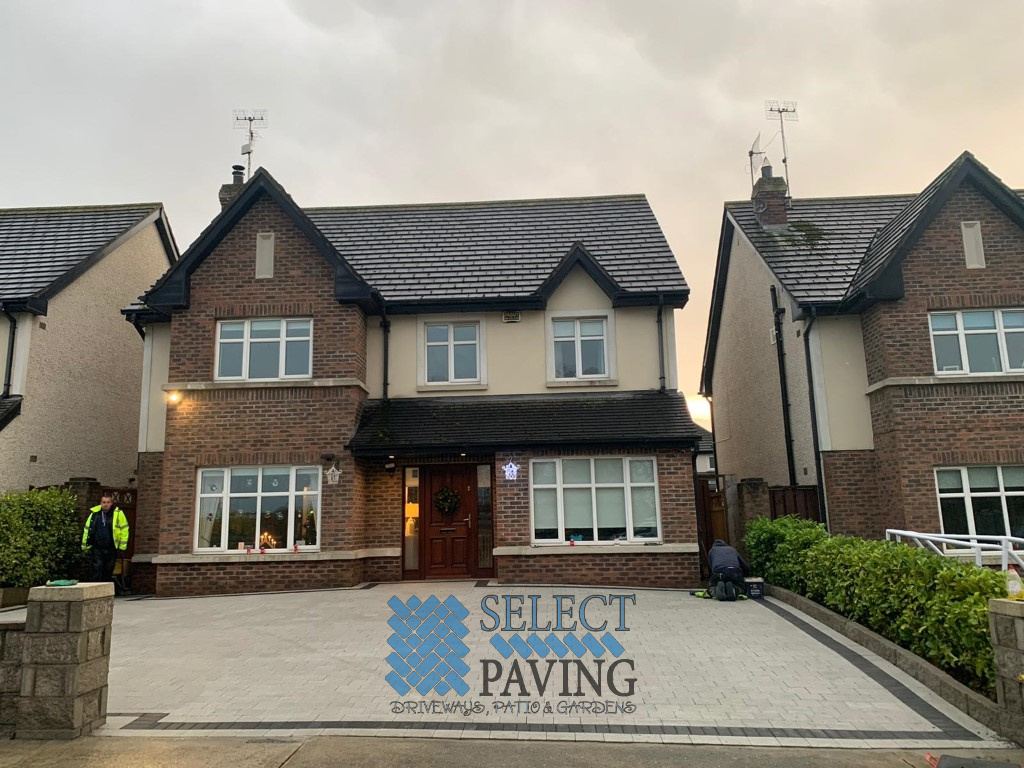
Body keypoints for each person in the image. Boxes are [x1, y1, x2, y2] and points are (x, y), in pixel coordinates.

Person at [82, 493, 130, 583]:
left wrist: (122, 546)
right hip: (97, 546)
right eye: (104, 502)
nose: (106, 504)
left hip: (111, 546)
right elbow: (87, 529)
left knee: (108, 569)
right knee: (96, 569)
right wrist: (85, 545)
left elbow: (124, 529)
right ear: (100, 503)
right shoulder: (94, 514)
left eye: (108, 502)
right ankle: (95, 589)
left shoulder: (118, 514)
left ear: (111, 503)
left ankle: (105, 589)